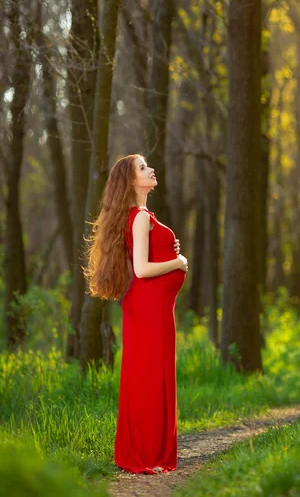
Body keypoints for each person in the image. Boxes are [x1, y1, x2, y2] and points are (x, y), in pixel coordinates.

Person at [83, 153, 188, 474]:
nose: (152, 169)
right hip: (149, 309)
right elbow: (141, 270)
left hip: (151, 308)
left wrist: (168, 247)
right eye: (144, 168)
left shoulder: (141, 215)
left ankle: (149, 451)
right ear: (131, 181)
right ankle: (146, 455)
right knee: (149, 379)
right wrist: (180, 263)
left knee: (149, 377)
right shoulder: (140, 217)